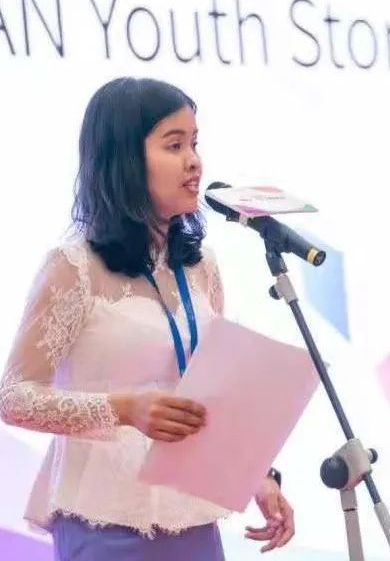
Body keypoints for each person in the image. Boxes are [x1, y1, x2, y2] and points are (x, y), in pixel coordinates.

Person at [0, 77, 295, 560]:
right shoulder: (73, 266)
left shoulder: (201, 267)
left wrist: (256, 475)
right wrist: (124, 409)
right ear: (124, 161)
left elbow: (209, 391)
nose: (194, 161)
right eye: (174, 145)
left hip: (192, 517)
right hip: (105, 519)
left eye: (195, 143)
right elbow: (13, 398)